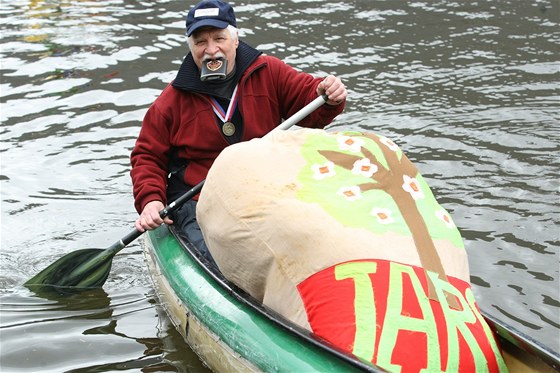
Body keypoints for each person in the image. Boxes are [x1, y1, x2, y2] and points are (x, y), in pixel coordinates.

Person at [130, 0, 348, 262]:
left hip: (263, 187)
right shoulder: (171, 100)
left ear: (235, 39)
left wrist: (329, 94)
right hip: (198, 197)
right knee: (217, 257)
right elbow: (147, 157)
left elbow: (310, 100)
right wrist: (151, 201)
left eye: (219, 38)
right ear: (191, 48)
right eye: (201, 42)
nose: (211, 50)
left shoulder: (269, 71)